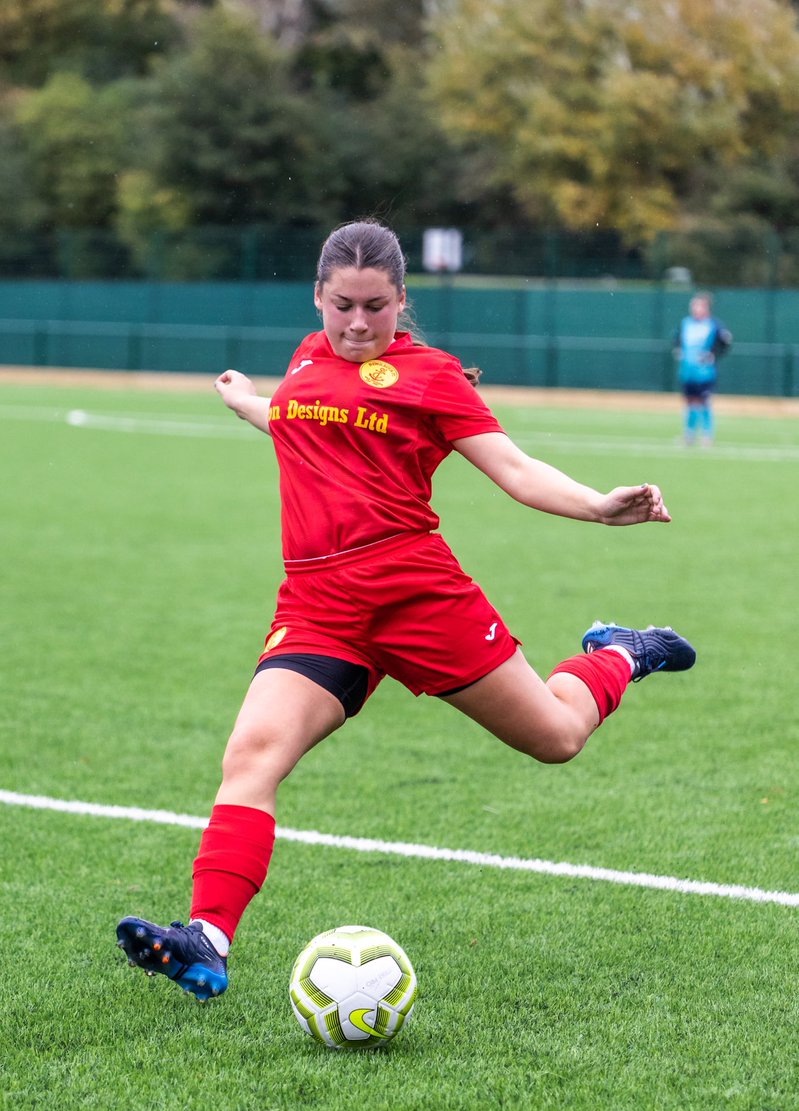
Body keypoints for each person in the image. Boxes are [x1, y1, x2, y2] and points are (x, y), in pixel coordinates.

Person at [117, 219, 696, 1001]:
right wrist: (249, 402)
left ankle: (621, 651)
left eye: (375, 307)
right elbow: (299, 422)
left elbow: (514, 468)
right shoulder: (308, 356)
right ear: (317, 298)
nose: (358, 325)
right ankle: (207, 938)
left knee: (557, 738)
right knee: (251, 756)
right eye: (343, 306)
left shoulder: (432, 376)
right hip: (320, 607)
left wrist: (597, 506)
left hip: (416, 597)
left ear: (400, 300)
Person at [674, 292, 732, 446]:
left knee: (704, 402)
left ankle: (707, 435)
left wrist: (714, 355)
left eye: (699, 305)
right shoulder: (686, 323)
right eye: (694, 305)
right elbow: (677, 340)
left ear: (706, 308)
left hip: (705, 372)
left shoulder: (714, 324)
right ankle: (689, 435)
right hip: (688, 370)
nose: (695, 308)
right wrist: (678, 350)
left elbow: (726, 342)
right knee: (690, 402)